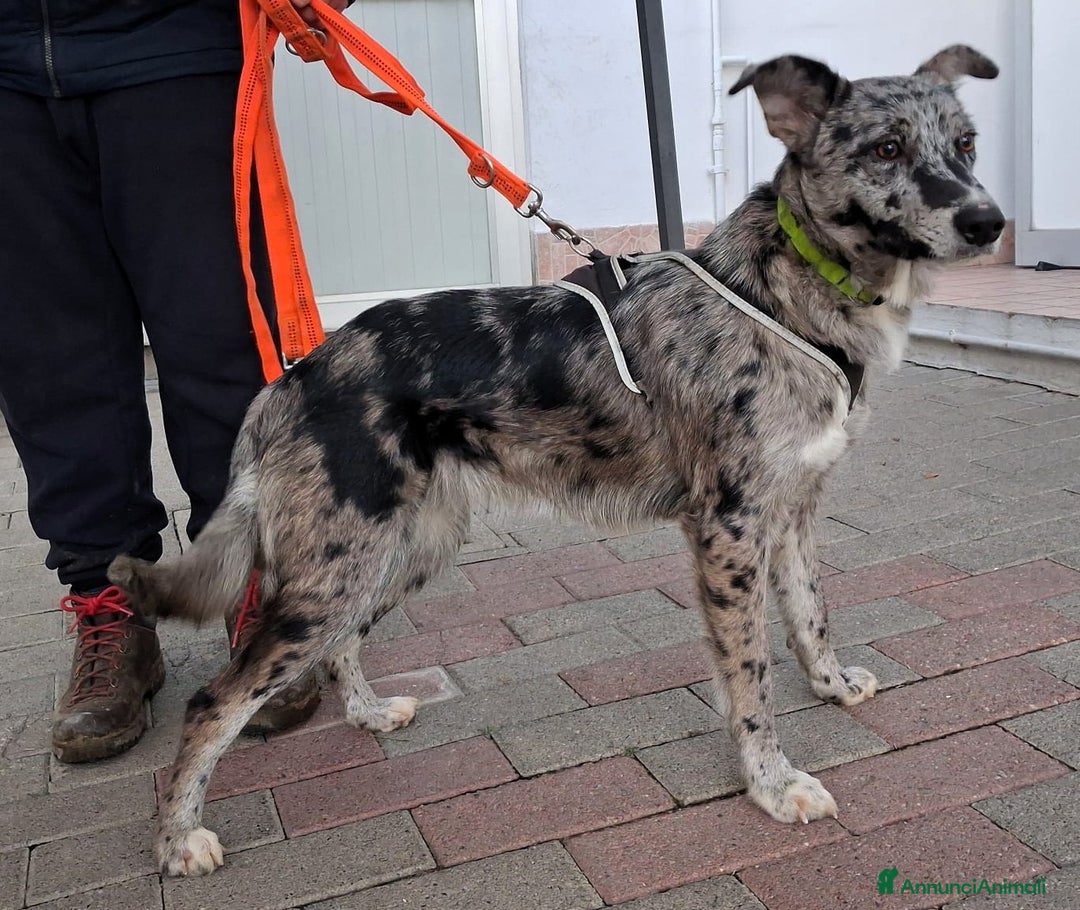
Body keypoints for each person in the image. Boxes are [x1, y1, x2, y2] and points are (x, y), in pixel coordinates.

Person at [0, 0, 345, 763]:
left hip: (173, 42)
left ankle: (252, 585)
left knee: (222, 340)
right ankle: (109, 605)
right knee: (47, 363)